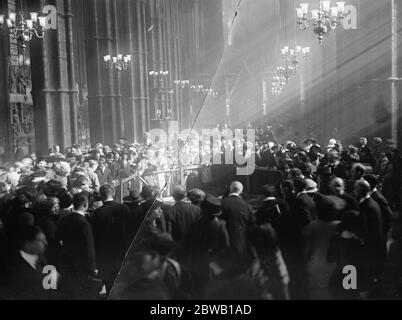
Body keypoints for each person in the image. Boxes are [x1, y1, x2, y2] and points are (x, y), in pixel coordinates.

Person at [182, 195, 229, 298]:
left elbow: (185, 245)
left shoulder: (194, 225)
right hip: (213, 263)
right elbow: (225, 245)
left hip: (196, 262)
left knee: (197, 290)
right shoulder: (221, 225)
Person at [57, 192, 100, 299]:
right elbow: (89, 247)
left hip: (67, 261)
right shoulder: (84, 223)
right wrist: (92, 267)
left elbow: (59, 239)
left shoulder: (64, 219)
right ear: (85, 205)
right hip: (82, 264)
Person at [92, 184, 128, 291]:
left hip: (105, 253)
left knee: (109, 284)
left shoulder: (98, 212)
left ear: (102, 196)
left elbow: (96, 235)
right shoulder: (123, 208)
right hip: (121, 250)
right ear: (113, 193)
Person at [305, 195, 341, 300]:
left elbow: (308, 249)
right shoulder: (340, 225)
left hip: (317, 264)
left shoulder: (313, 226)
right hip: (336, 265)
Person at [354, 179, 386, 297]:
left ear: (359, 190)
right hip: (373, 247)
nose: (354, 191)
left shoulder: (366, 205)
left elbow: (365, 230)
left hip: (368, 249)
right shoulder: (371, 203)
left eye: (355, 189)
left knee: (365, 279)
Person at [5, 226, 54, 300]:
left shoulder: (42, 257)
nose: (46, 243)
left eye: (45, 239)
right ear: (28, 244)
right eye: (41, 240)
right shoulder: (15, 269)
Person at [221, 181, 253, 260]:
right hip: (241, 243)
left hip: (225, 242)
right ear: (241, 191)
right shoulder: (247, 205)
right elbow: (251, 225)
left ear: (230, 189)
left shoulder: (222, 203)